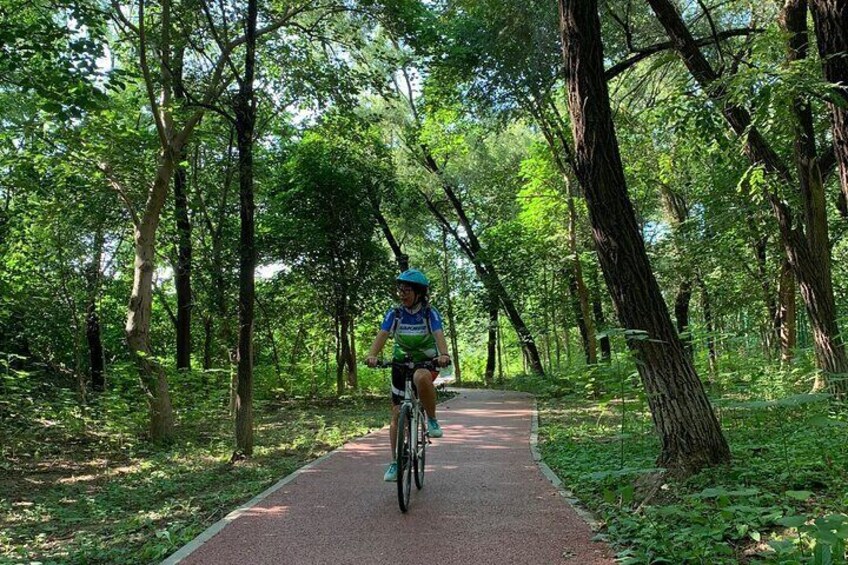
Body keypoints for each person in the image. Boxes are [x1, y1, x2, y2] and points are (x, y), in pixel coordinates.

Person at [365, 268, 451, 482]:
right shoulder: (395, 313)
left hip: (426, 361)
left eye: (407, 290)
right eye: (400, 290)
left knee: (421, 377)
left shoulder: (429, 313)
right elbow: (383, 334)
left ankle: (431, 420)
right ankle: (395, 462)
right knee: (395, 415)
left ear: (419, 293)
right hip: (400, 363)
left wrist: (444, 355)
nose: (402, 294)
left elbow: (439, 334)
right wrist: (372, 355)